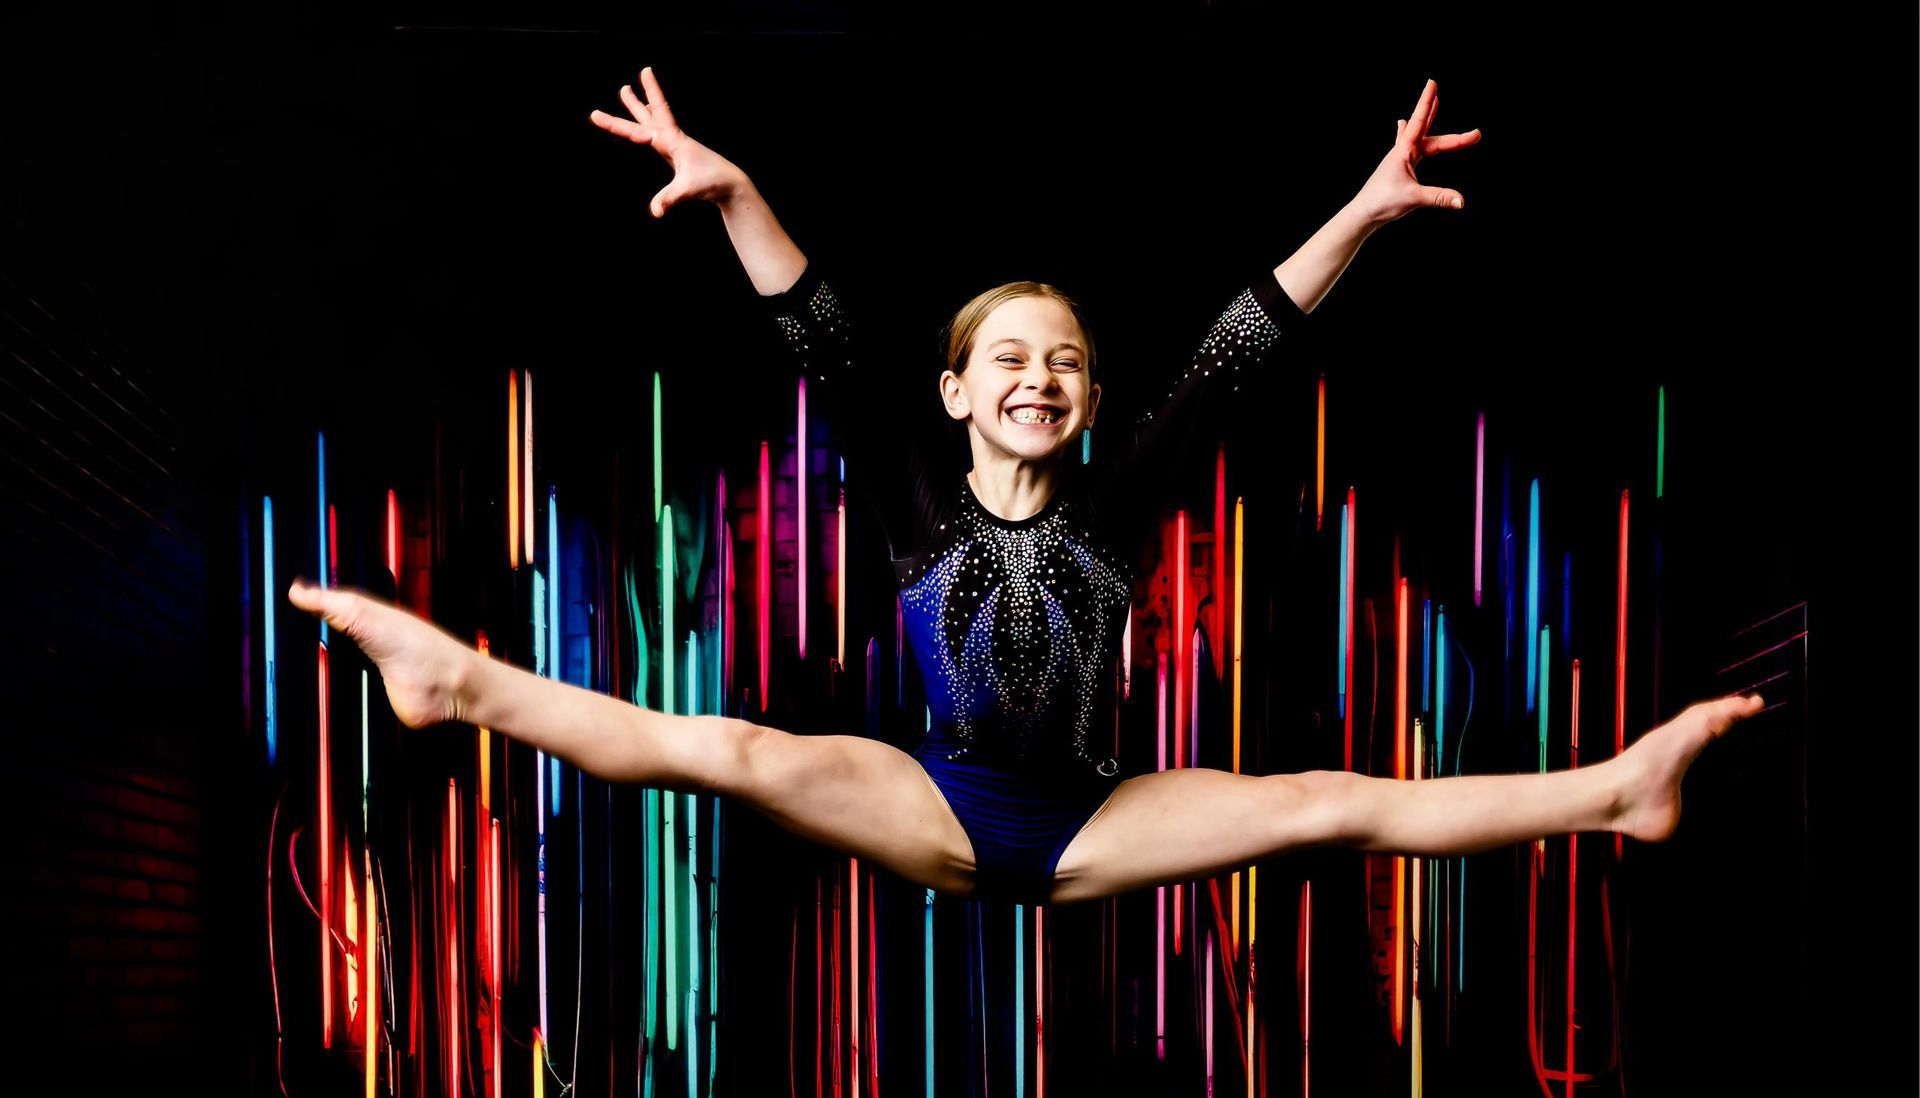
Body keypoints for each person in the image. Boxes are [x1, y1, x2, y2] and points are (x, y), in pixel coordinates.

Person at [288, 69, 1765, 908]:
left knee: (1329, 802)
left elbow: (1246, 347)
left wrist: (1367, 211)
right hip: (935, 797)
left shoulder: (1118, 496)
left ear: (1092, 401)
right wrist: (733, 192)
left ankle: (1618, 790)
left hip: (1092, 816)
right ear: (955, 388)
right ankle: (461, 687)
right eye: (1007, 356)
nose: (1037, 378)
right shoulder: (912, 476)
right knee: (728, 746)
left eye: (1063, 362)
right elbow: (815, 324)